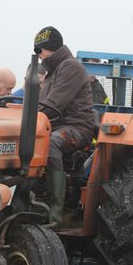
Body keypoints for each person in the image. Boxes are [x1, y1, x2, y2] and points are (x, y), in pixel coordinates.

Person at [33, 26, 96, 226]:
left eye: (39, 51)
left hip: (76, 128)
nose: (39, 56)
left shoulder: (71, 68)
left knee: (50, 144)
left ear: (48, 48)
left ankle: (55, 213)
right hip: (55, 126)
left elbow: (53, 106)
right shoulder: (53, 72)